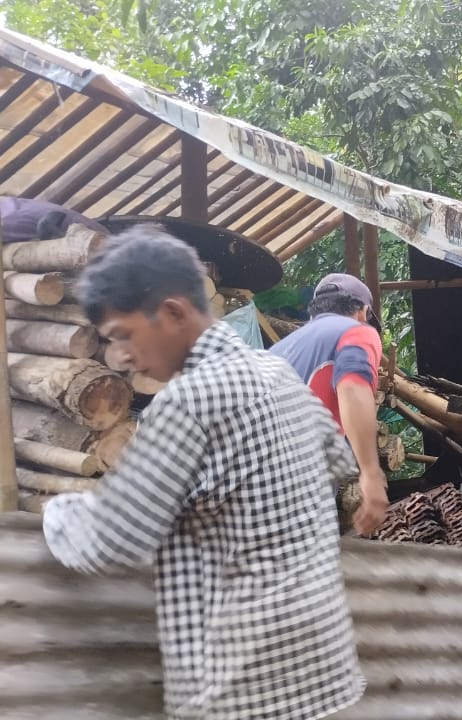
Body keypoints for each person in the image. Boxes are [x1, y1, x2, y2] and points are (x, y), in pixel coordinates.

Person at [42, 226, 364, 719]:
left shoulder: (188, 402)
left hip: (242, 689)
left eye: (124, 336)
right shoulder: (276, 375)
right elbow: (340, 465)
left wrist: (58, 511)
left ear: (172, 312)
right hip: (322, 673)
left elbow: (112, 539)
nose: (123, 356)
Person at [269, 273, 389, 536]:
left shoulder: (279, 351)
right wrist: (370, 472)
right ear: (362, 310)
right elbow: (353, 387)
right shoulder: (357, 332)